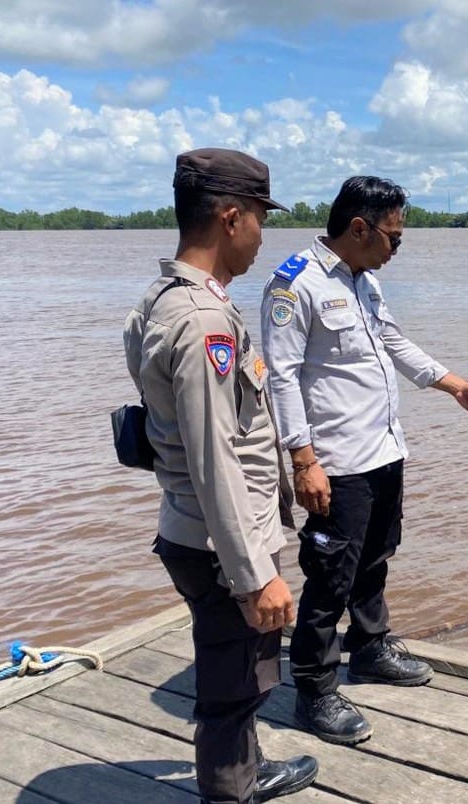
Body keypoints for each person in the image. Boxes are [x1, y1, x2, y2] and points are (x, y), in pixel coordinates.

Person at [260, 176, 468, 745]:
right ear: (359, 228)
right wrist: (303, 461)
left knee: (375, 558)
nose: (398, 247)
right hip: (336, 460)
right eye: (394, 237)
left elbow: (394, 342)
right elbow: (282, 378)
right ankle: (314, 689)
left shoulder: (364, 280)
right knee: (330, 577)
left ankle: (370, 648)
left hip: (383, 449)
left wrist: (455, 385)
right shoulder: (294, 285)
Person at [124, 148, 319, 803]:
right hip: (221, 545)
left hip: (192, 529)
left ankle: (245, 770)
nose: (263, 236)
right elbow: (215, 459)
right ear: (231, 218)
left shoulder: (160, 299)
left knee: (237, 670)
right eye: (261, 218)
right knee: (233, 684)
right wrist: (254, 574)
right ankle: (230, 790)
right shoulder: (203, 319)